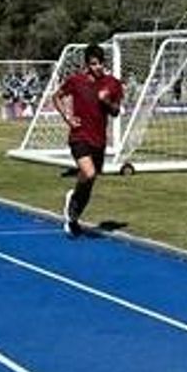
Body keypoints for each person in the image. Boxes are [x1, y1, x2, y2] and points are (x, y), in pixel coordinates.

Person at [53, 48, 126, 237]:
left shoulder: (112, 84)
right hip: (79, 136)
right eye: (94, 64)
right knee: (89, 172)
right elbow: (57, 96)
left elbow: (116, 112)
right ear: (87, 65)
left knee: (90, 180)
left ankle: (73, 216)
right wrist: (68, 117)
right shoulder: (76, 81)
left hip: (99, 140)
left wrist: (106, 101)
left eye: (100, 63)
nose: (98, 67)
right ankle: (73, 205)